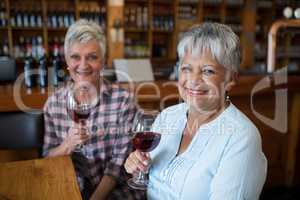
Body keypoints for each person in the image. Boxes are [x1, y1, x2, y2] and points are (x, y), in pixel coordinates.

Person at [124, 22, 267, 200]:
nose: (193, 80)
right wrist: (138, 166)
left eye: (207, 71)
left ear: (231, 79)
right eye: (186, 69)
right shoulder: (168, 116)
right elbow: (151, 178)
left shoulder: (242, 137)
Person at [43, 19, 144, 200]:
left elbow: (116, 168)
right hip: (72, 189)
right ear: (66, 60)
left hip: (116, 192)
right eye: (75, 57)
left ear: (104, 61)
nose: (83, 65)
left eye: (92, 57)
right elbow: (47, 157)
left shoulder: (123, 102)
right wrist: (67, 145)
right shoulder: (54, 103)